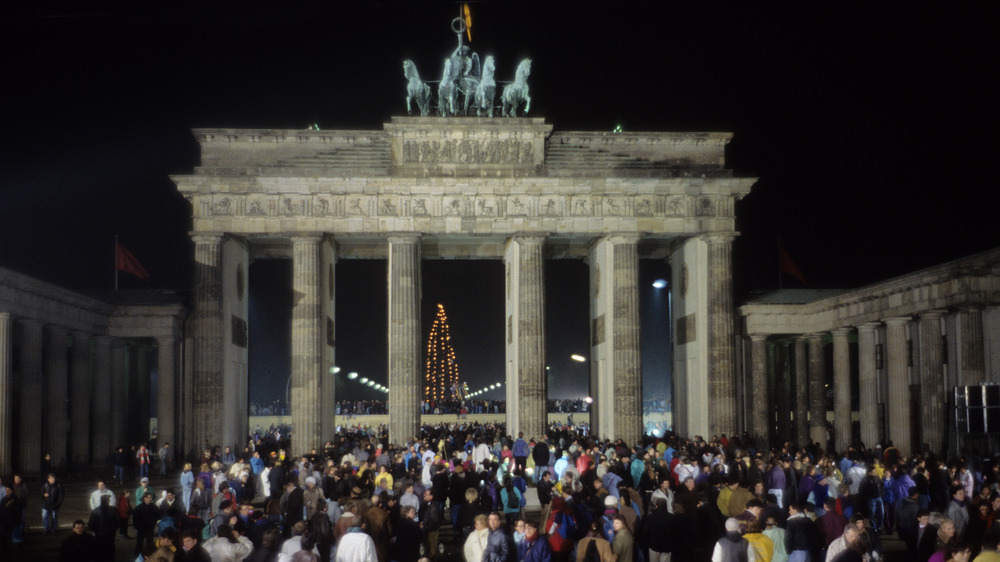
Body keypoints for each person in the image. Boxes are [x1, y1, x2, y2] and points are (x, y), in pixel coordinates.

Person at [88, 494, 119, 562]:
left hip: (99, 535)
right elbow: (118, 523)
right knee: (110, 553)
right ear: (108, 501)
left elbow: (90, 525)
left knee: (100, 553)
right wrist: (112, 530)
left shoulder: (95, 511)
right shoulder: (113, 510)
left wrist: (97, 531)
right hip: (110, 535)